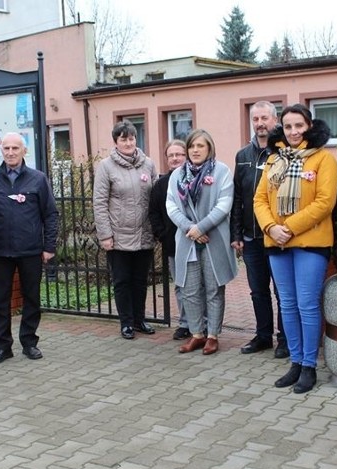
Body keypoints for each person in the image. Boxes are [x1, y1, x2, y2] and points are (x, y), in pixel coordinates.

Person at [253, 105, 337, 394]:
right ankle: (296, 360)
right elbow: (260, 200)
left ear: (309, 126)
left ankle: (309, 366)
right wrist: (270, 228)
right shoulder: (274, 159)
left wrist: (287, 227)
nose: (293, 132)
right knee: (287, 304)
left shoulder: (323, 159)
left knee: (307, 304)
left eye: (298, 126)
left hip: (310, 242)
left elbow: (325, 202)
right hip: (276, 242)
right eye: (288, 126)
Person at [0, 132, 59, 364]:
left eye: (15, 148)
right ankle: (2, 346)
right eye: (6, 148)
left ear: (24, 151)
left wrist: (49, 246)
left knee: (32, 298)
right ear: (1, 151)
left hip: (30, 250)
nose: (10, 152)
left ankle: (29, 342)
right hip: (0, 251)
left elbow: (50, 214)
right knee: (1, 302)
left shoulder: (38, 179)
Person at [166, 128, 238, 355]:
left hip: (213, 239)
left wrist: (201, 227)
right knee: (189, 289)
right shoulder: (178, 175)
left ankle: (213, 336)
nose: (195, 150)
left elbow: (224, 204)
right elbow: (171, 206)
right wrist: (191, 229)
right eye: (192, 146)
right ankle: (197, 334)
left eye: (200, 146)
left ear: (209, 148)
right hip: (188, 240)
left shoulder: (221, 171)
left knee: (213, 289)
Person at [232, 101, 288, 359]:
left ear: (274, 120)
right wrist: (236, 235)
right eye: (255, 119)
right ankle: (263, 336)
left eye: (264, 118)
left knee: (282, 291)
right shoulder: (243, 156)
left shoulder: (283, 153)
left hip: (276, 236)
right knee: (258, 291)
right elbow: (238, 199)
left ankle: (285, 339)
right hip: (250, 236)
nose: (260, 124)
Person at [93, 120, 158, 340]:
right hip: (118, 236)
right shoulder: (105, 166)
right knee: (122, 281)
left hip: (144, 233)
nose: (128, 142)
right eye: (123, 139)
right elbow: (99, 203)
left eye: (131, 138)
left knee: (141, 281)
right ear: (116, 142)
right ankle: (126, 323)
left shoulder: (148, 164)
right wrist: (105, 235)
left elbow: (156, 196)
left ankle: (139, 319)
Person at [149, 139, 193, 340]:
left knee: (200, 285)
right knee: (181, 285)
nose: (175, 158)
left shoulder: (197, 178)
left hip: (198, 241)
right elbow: (154, 213)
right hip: (173, 244)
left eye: (180, 154)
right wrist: (163, 234)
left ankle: (203, 324)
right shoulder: (160, 185)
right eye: (171, 155)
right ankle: (185, 324)